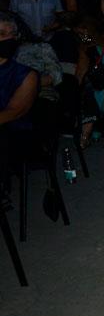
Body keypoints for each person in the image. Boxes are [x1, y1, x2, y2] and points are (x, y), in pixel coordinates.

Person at [0, 15, 39, 191]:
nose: (8, 38)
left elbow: (15, 111)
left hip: (13, 131)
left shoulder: (25, 73)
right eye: (1, 34)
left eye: (12, 34)